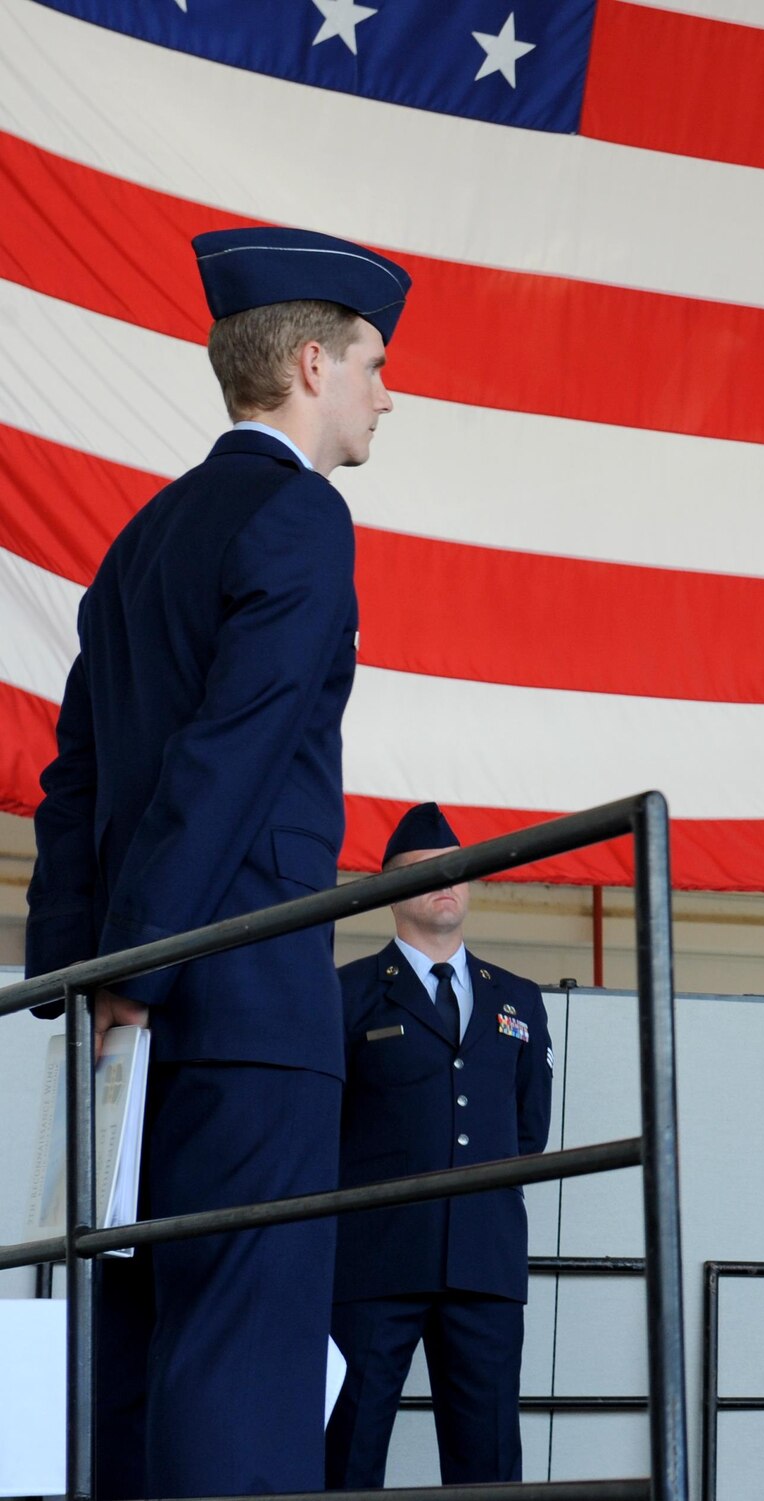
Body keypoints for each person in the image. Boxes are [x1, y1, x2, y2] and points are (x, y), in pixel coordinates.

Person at [23, 226, 409, 1496]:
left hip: (121, 1028)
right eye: (373, 363)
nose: (386, 393)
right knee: (245, 1365)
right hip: (236, 1003)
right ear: (311, 363)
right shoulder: (301, 515)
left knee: (124, 1363)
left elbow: (72, 787)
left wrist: (67, 992)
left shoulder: (139, 541)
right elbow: (233, 756)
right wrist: (147, 962)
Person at [324, 802, 554, 1487]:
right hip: (373, 1262)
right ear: (390, 889)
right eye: (424, 871)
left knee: (487, 1463)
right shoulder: (348, 993)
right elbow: (322, 1127)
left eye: (456, 868)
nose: (446, 880)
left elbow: (528, 1128)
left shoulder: (517, 997)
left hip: (483, 1263)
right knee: (348, 1453)